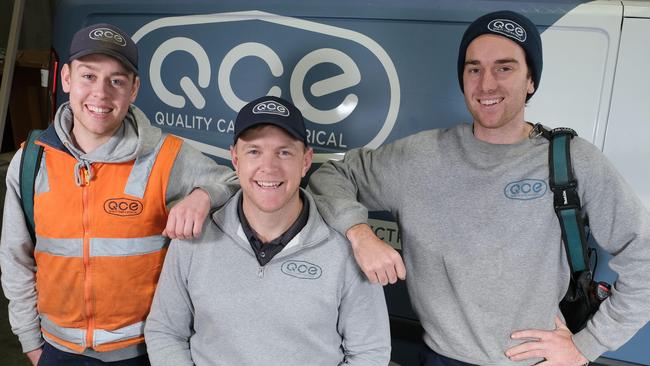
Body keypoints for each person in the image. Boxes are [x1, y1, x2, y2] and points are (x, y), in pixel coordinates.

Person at [308, 10, 650, 366]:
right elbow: (331, 176)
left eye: (505, 68)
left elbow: (645, 257)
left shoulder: (571, 160)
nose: (486, 84)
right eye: (474, 69)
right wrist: (358, 232)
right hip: (439, 358)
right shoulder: (420, 157)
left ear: (530, 80)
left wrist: (587, 345)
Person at [0, 23, 237, 365]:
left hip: (142, 350)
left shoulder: (166, 156)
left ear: (134, 89)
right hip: (56, 349)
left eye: (116, 81)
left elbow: (238, 182)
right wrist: (31, 343)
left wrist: (203, 195)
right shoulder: (31, 159)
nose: (101, 93)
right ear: (66, 78)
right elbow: (15, 258)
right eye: (88, 76)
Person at [144, 96, 391, 366]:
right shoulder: (193, 237)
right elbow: (165, 331)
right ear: (235, 159)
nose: (269, 167)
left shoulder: (348, 249)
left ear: (306, 161)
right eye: (254, 151)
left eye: (284, 152)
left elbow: (369, 353)